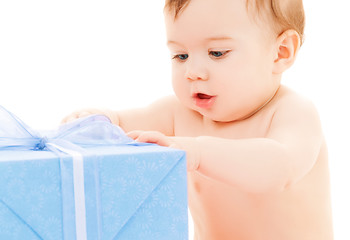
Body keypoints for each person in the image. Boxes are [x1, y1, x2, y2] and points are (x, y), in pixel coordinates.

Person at [63, 0, 333, 239]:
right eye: (181, 55)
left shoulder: (292, 113)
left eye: (217, 53)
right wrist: (99, 120)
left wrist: (199, 152)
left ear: (281, 52)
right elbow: (124, 125)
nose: (192, 72)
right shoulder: (179, 113)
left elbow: (279, 168)